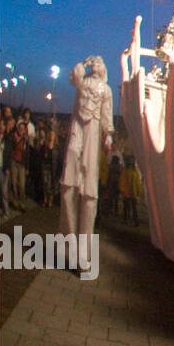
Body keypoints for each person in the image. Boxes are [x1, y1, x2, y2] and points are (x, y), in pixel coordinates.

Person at [60, 56, 113, 277]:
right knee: (68, 186)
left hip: (92, 132)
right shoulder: (83, 82)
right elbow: (74, 76)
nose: (96, 64)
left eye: (100, 62)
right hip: (78, 129)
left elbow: (107, 115)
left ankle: (83, 255)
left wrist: (108, 133)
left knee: (89, 194)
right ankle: (69, 250)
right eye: (95, 61)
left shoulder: (106, 90)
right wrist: (82, 61)